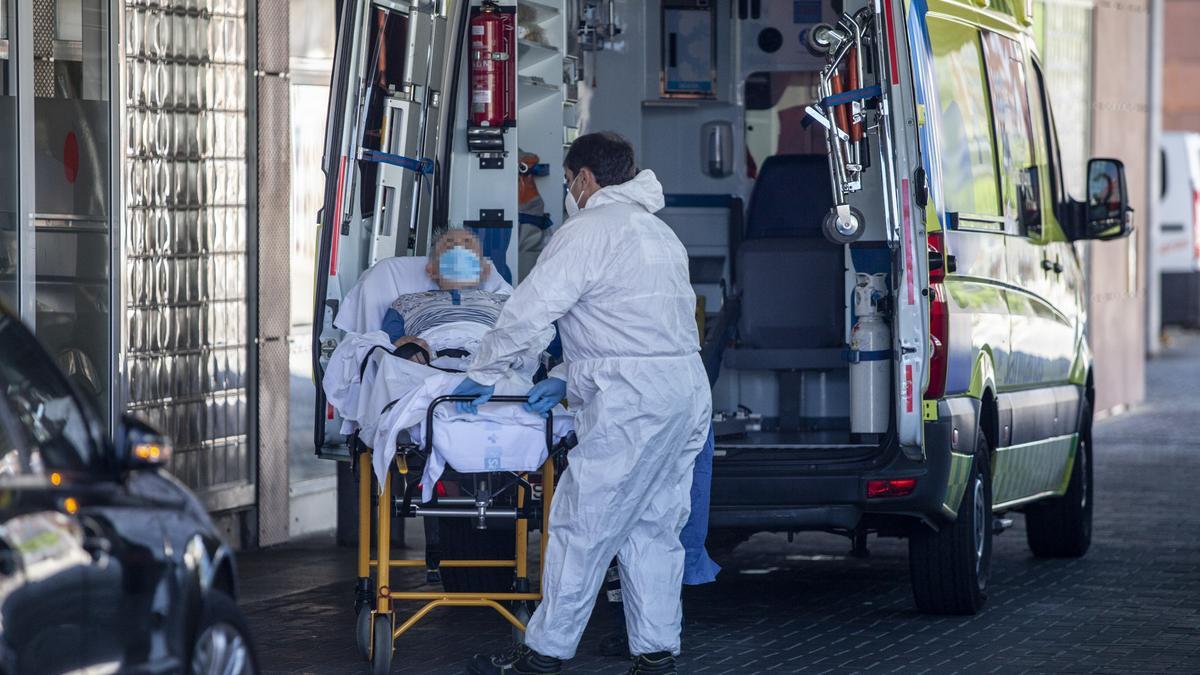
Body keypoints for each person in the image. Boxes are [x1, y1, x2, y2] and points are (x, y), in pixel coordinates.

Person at [453, 132, 712, 675]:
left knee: (582, 522)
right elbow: (641, 323)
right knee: (654, 523)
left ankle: (545, 653)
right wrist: (569, 373)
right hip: (683, 391)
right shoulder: (659, 233)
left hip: (633, 402)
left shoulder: (587, 231)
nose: (569, 192)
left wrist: (483, 370)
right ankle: (656, 650)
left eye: (569, 181)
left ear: (585, 179)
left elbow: (530, 310)